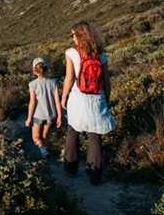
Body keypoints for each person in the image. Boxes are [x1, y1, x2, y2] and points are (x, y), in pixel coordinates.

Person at [61, 22, 115, 184]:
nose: (72, 39)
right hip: (97, 98)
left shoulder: (71, 53)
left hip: (78, 98)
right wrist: (107, 98)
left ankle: (70, 168)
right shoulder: (101, 53)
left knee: (73, 130)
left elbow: (69, 78)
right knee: (94, 134)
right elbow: (106, 80)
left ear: (80, 35)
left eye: (73, 35)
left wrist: (64, 97)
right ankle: (95, 176)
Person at [25, 57, 62, 158]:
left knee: (36, 138)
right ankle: (46, 154)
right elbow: (57, 101)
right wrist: (59, 116)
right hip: (51, 115)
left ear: (34, 71)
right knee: (45, 137)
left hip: (38, 116)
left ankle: (43, 151)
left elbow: (32, 102)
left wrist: (29, 118)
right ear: (46, 68)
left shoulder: (32, 84)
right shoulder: (53, 82)